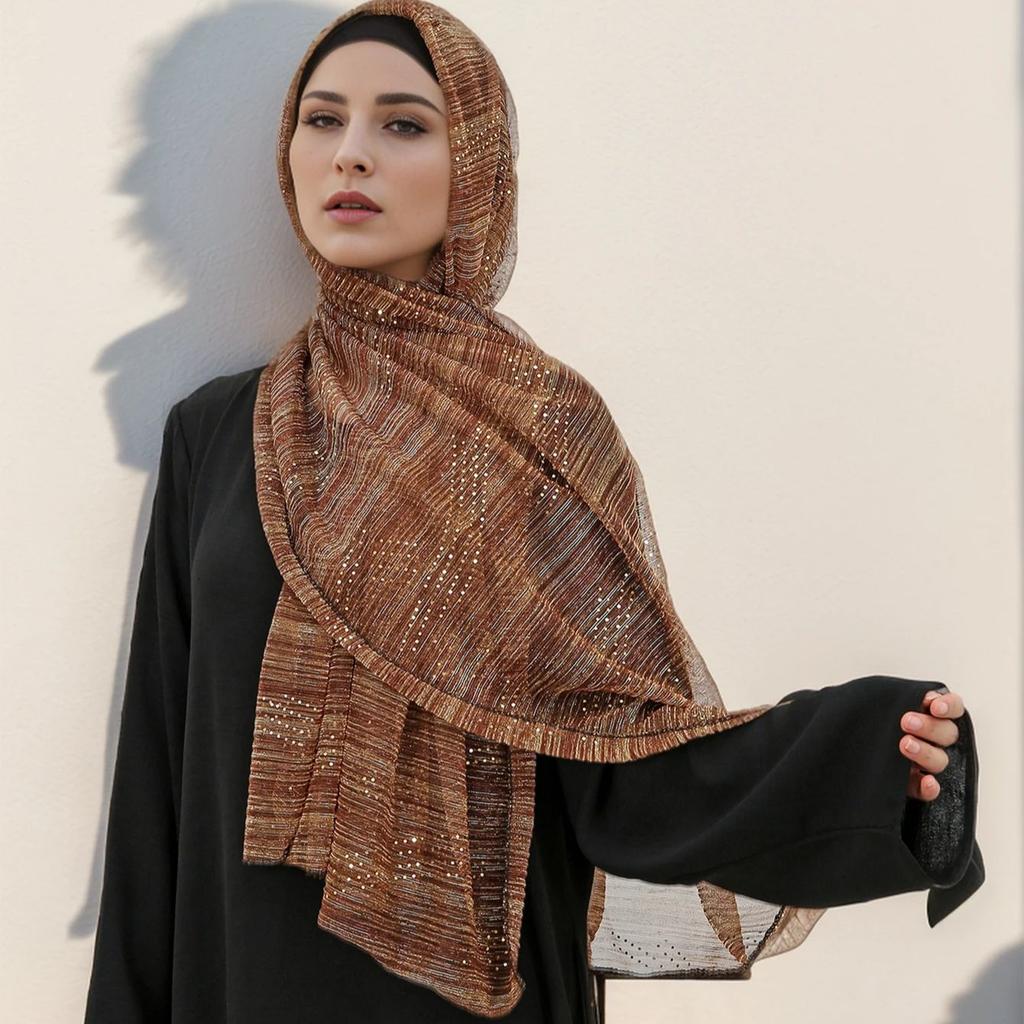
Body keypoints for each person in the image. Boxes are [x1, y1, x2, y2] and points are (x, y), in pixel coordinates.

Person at [83, 4, 983, 1022]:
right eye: (322, 119)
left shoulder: (541, 429)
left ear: (476, 164)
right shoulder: (218, 433)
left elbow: (621, 759)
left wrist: (868, 751)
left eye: (403, 124)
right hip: (243, 979)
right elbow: (157, 785)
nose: (352, 154)